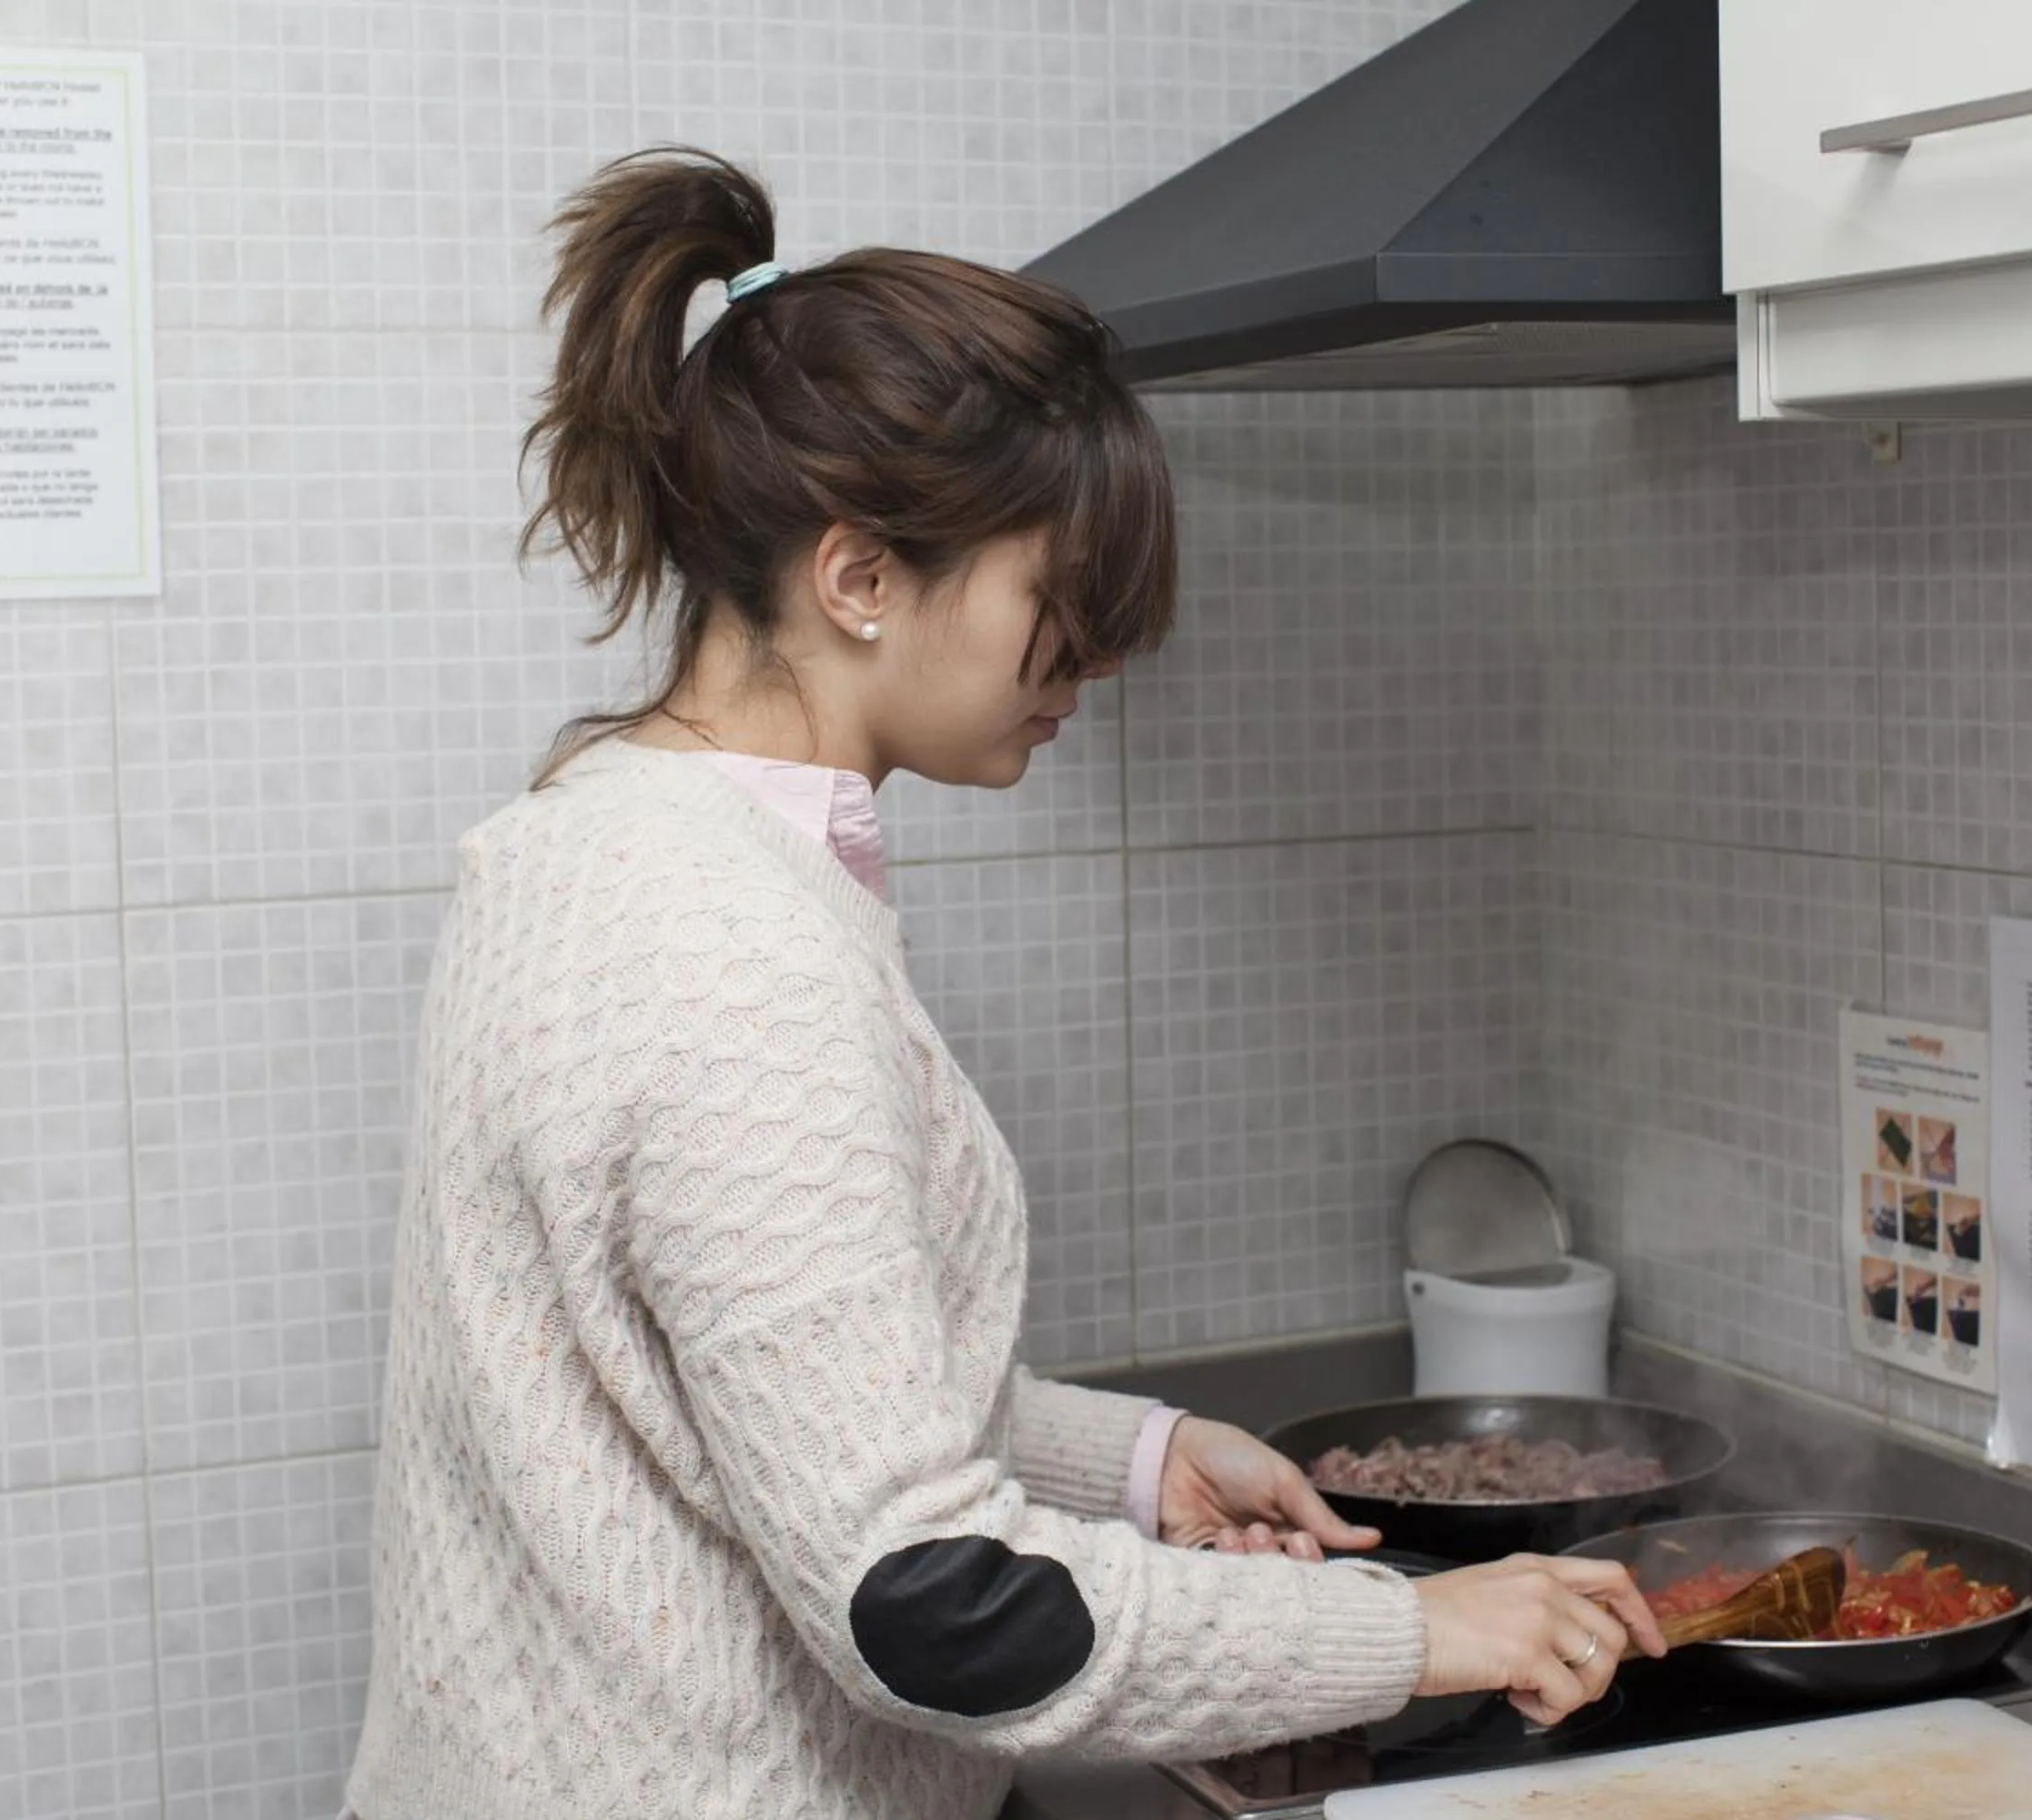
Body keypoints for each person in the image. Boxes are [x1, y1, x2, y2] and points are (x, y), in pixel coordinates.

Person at [338, 147, 1663, 1820]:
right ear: (860, 578)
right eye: (1059, 597)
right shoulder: (732, 958)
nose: (1094, 663)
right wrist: (1399, 1628)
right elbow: (935, 1608)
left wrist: (1131, 1461)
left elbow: (739, 1384)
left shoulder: (586, 837)